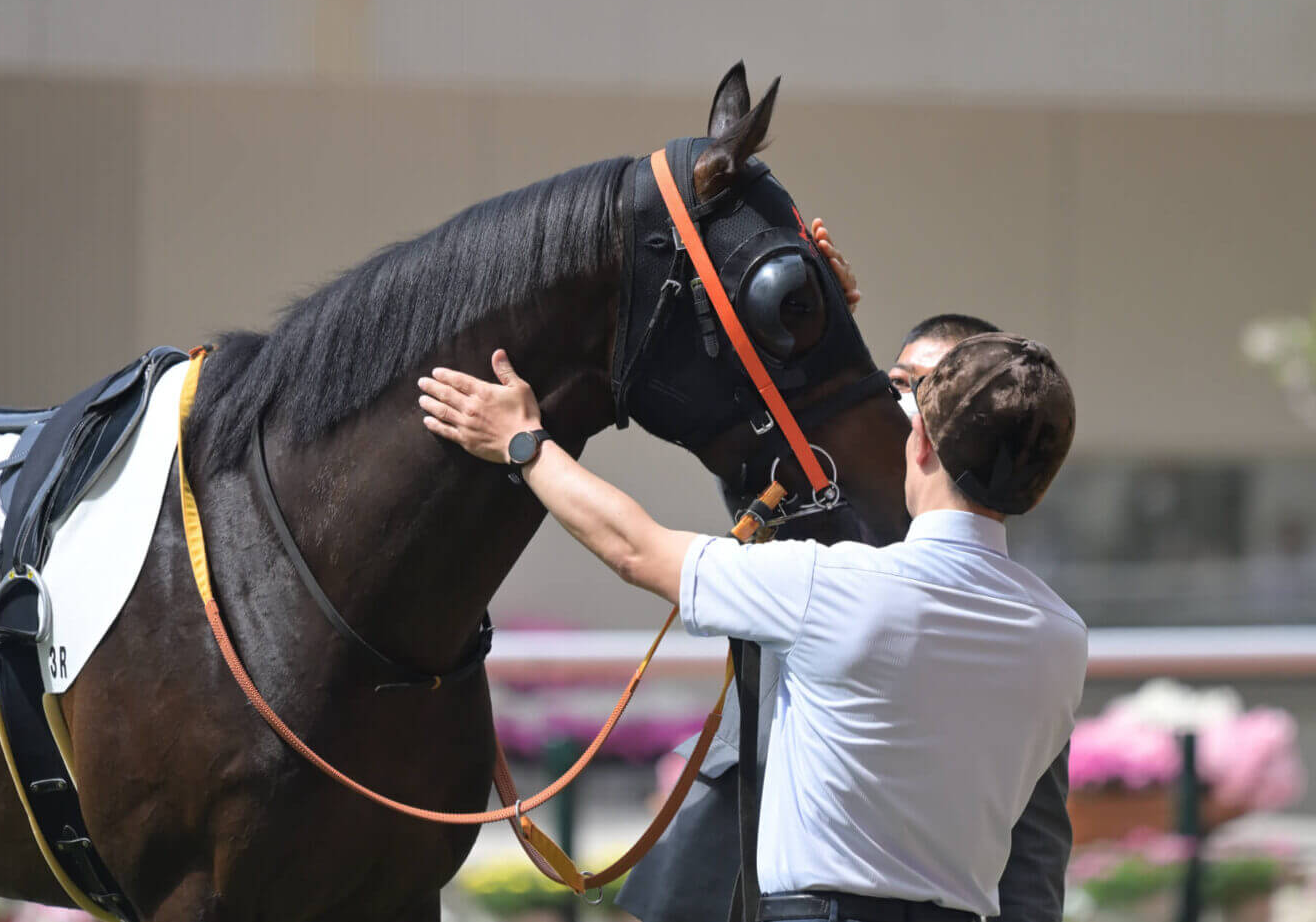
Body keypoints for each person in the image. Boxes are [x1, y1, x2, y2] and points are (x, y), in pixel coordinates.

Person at [417, 311, 1084, 919]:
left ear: (920, 447)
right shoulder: (1063, 639)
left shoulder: (835, 585)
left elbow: (634, 548)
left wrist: (522, 441)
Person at [615, 233, 1073, 922]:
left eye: (930, 392)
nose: (906, 406)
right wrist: (810, 336)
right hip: (727, 858)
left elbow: (1033, 831)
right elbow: (771, 458)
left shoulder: (1013, 613)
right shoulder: (843, 508)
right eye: (896, 385)